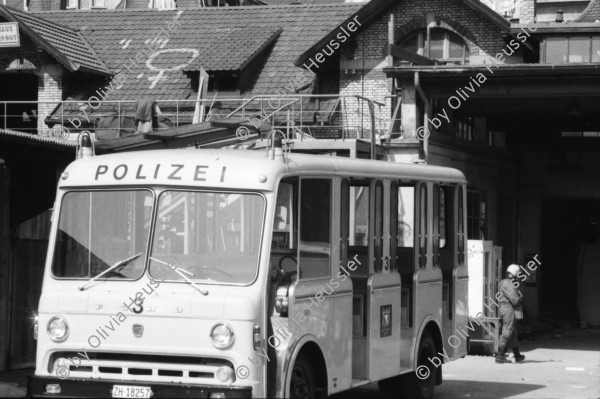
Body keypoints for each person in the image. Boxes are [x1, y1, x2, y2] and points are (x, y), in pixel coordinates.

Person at [496, 264, 526, 364]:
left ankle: (517, 356)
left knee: (512, 333)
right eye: (517, 273)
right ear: (514, 273)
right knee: (507, 331)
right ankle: (500, 356)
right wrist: (520, 296)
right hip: (509, 310)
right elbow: (515, 300)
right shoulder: (508, 284)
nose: (518, 276)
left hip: (505, 309)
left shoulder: (503, 282)